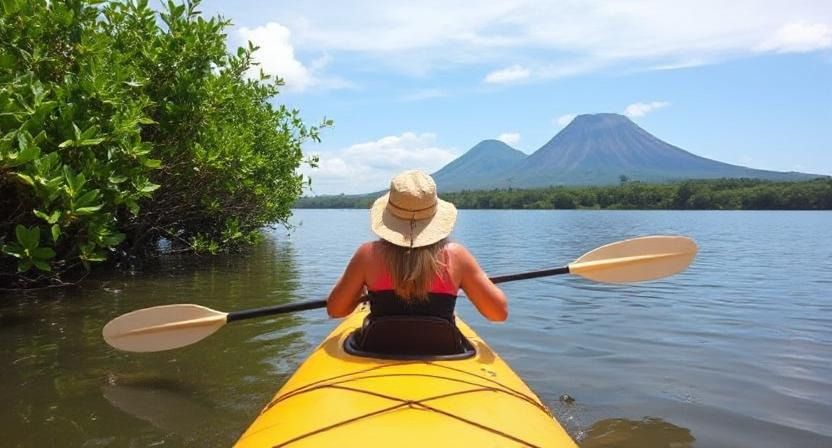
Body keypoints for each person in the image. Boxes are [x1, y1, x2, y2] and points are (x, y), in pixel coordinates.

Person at [326, 170, 508, 323]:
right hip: (441, 352)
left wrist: (360, 290)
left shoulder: (367, 254)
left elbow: (336, 310)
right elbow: (498, 314)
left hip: (378, 348)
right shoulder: (457, 256)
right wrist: (464, 282)